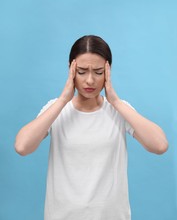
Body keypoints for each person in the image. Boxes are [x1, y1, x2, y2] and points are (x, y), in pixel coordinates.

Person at [15, 35, 168, 220]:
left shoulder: (118, 110)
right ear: (71, 71)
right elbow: (22, 147)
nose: (90, 80)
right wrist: (63, 99)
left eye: (98, 72)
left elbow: (160, 145)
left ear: (108, 71)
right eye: (81, 71)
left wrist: (116, 102)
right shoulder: (57, 110)